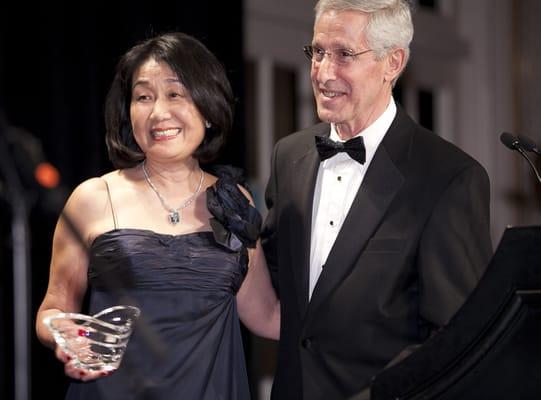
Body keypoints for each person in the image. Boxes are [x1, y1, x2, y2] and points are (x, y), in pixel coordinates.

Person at [260, 1, 494, 399]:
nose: (323, 71)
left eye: (344, 54)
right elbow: (274, 288)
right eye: (317, 51)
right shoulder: (290, 157)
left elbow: (457, 341)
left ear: (393, 62)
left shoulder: (449, 178)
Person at [35, 32, 279, 400]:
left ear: (209, 108)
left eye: (175, 94)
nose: (158, 112)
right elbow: (53, 308)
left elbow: (266, 315)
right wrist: (67, 335)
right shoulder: (93, 198)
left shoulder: (234, 201)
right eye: (143, 97)